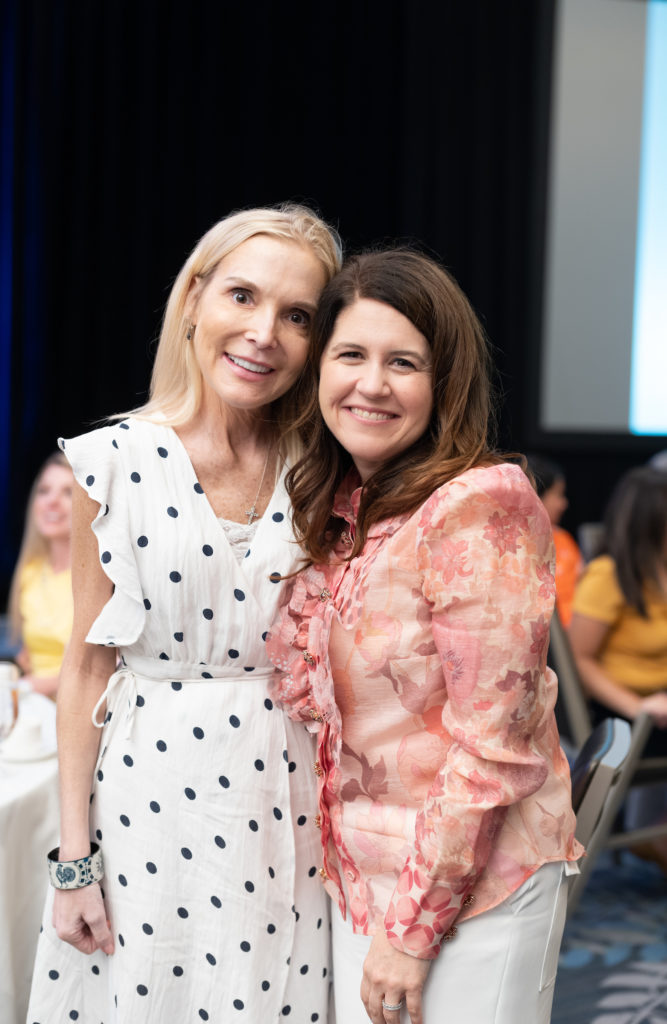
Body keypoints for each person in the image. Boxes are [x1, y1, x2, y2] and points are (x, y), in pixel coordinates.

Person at [26, 203, 342, 1023]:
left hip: (288, 801)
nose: (263, 331)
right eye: (242, 295)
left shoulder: (324, 470)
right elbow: (87, 668)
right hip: (146, 799)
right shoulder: (113, 461)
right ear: (195, 297)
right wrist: (73, 860)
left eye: (297, 314)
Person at [267, 249, 583, 1024]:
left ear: (443, 384)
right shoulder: (346, 505)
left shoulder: (479, 504)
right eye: (350, 355)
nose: (370, 383)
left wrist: (408, 935)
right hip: (361, 882)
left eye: (402, 362)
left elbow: (491, 748)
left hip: (470, 897)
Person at [569, 466, 667, 866]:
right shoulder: (608, 576)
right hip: (622, 714)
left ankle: (655, 837)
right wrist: (637, 706)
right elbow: (579, 662)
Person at [8, 452, 74, 698]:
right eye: (44, 490)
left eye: (68, 493)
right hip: (34, 708)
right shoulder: (31, 571)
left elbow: (110, 668)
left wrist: (29, 687)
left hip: (79, 713)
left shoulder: (100, 579)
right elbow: (30, 655)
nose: (52, 502)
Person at [525, 454, 584, 628]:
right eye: (558, 495)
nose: (564, 503)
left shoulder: (563, 538)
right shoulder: (515, 546)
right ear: (536, 496)